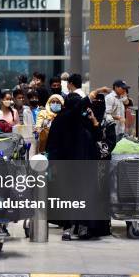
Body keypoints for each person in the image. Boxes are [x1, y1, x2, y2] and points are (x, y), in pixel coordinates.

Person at [45, 86, 111, 240]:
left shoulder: (76, 119)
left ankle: (76, 227)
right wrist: (96, 92)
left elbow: (97, 137)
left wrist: (94, 121)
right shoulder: (68, 117)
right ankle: (73, 227)